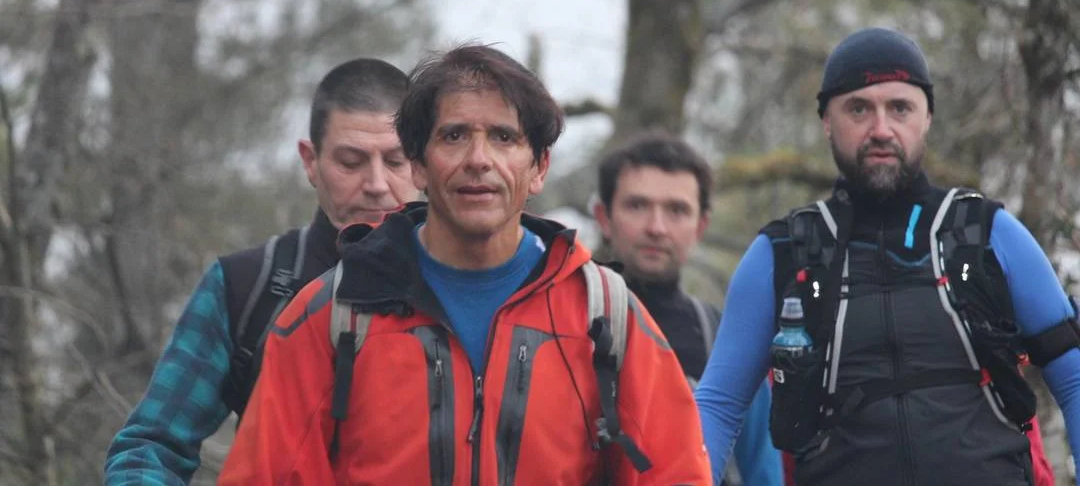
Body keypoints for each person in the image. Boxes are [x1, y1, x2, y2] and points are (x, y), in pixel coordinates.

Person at [217, 44, 711, 485]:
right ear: (417, 164)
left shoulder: (605, 315)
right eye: (453, 135)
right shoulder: (331, 314)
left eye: (503, 137)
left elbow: (675, 473)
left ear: (538, 167)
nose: (478, 159)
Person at [694, 27, 1080, 486]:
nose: (881, 129)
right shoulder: (781, 254)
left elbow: (1074, 378)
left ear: (927, 117)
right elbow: (718, 404)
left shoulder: (990, 234)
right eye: (858, 108)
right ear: (827, 121)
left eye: (900, 108)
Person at [104, 58, 417, 484]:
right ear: (310, 161)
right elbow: (151, 447)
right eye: (351, 161)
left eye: (396, 161)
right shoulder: (245, 286)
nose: (377, 184)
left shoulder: (467, 284)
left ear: (423, 163)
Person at [593, 133, 783, 486]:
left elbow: (762, 471)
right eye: (637, 205)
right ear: (604, 217)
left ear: (701, 226)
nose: (656, 228)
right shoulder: (563, 321)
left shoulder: (726, 339)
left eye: (677, 210)